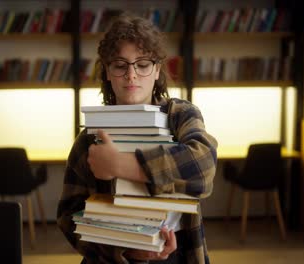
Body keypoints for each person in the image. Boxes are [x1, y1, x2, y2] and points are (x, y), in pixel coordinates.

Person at [57, 12, 218, 264]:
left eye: (142, 64)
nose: (131, 75)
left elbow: (204, 167)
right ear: (108, 72)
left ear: (157, 71)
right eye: (120, 65)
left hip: (181, 254)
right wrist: (125, 251)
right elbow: (68, 216)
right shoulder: (90, 137)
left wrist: (120, 165)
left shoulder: (181, 115)